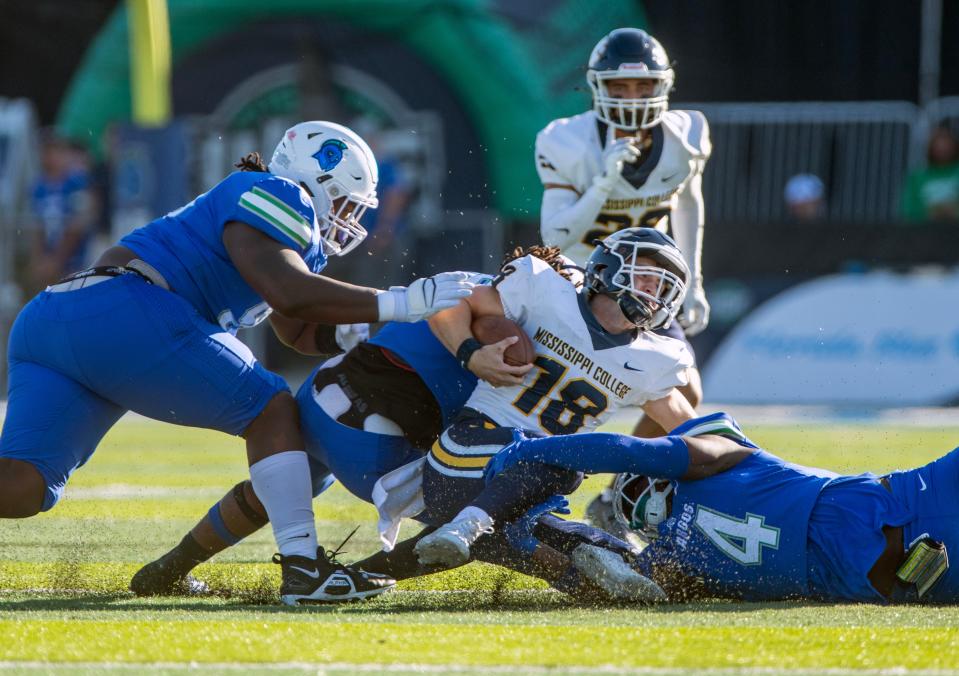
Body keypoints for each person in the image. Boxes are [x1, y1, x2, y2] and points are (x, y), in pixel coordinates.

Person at [0, 120, 475, 605]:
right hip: (125, 309)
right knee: (271, 407)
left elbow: (296, 325)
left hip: (58, 318)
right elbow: (286, 289)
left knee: (21, 486)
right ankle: (303, 568)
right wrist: (399, 302)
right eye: (349, 204)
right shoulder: (278, 191)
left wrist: (347, 331)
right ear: (321, 179)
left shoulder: (270, 214)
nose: (351, 221)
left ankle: (288, 568)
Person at [132, 277, 665, 603]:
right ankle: (581, 563)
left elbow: (338, 331)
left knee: (273, 490)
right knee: (479, 510)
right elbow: (456, 313)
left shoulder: (487, 291)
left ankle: (168, 567)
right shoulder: (502, 305)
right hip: (374, 427)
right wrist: (471, 353)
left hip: (324, 395)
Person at [410, 227, 698, 570]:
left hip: (520, 494)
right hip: (464, 456)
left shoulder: (654, 358)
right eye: (647, 274)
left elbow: (691, 429)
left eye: (662, 285)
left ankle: (372, 571)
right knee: (566, 460)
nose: (654, 289)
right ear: (608, 266)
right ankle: (465, 526)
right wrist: (469, 353)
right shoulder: (544, 290)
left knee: (617, 566)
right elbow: (449, 301)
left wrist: (751, 467)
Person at [489, 411, 959, 604]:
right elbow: (630, 450)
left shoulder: (670, 561)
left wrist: (524, 549)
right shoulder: (723, 462)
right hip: (908, 505)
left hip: (903, 568)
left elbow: (598, 588)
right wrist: (534, 450)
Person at [534, 28, 712, 530]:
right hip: (576, 283)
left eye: (642, 85)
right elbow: (557, 233)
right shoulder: (564, 140)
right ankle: (512, 482)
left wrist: (694, 279)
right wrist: (604, 183)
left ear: (664, 84)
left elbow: (688, 199)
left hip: (644, 286)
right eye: (619, 86)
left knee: (687, 390)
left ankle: (616, 498)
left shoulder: (687, 135)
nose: (632, 97)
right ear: (597, 87)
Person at [28, 132, 98, 292]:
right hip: (49, 258)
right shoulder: (38, 186)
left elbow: (78, 224)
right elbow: (36, 225)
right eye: (46, 152)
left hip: (76, 259)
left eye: (55, 151)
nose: (50, 157)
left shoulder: (77, 183)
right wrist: (39, 259)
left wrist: (57, 260)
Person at [901, 126, 959, 222]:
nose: (943, 149)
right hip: (924, 231)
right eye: (939, 145)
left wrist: (953, 210)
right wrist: (930, 212)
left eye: (946, 145)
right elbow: (908, 210)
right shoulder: (917, 177)